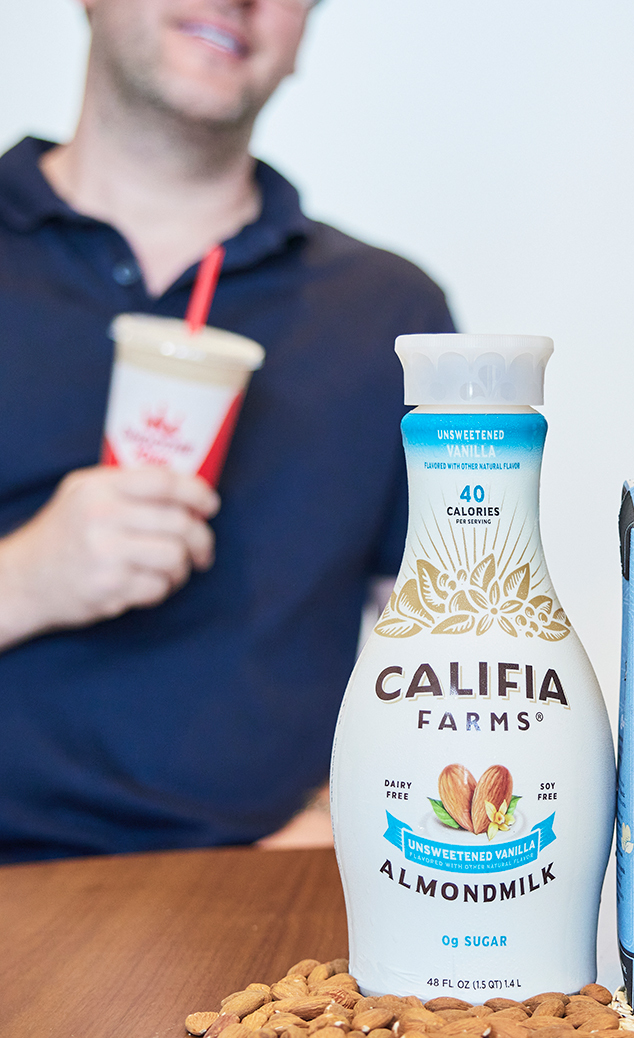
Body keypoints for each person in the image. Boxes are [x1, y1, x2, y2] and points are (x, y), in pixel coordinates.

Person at [0, 0, 454, 863]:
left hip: (266, 886)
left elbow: (448, 652)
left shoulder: (390, 316)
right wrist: (26, 578)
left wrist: (346, 819)